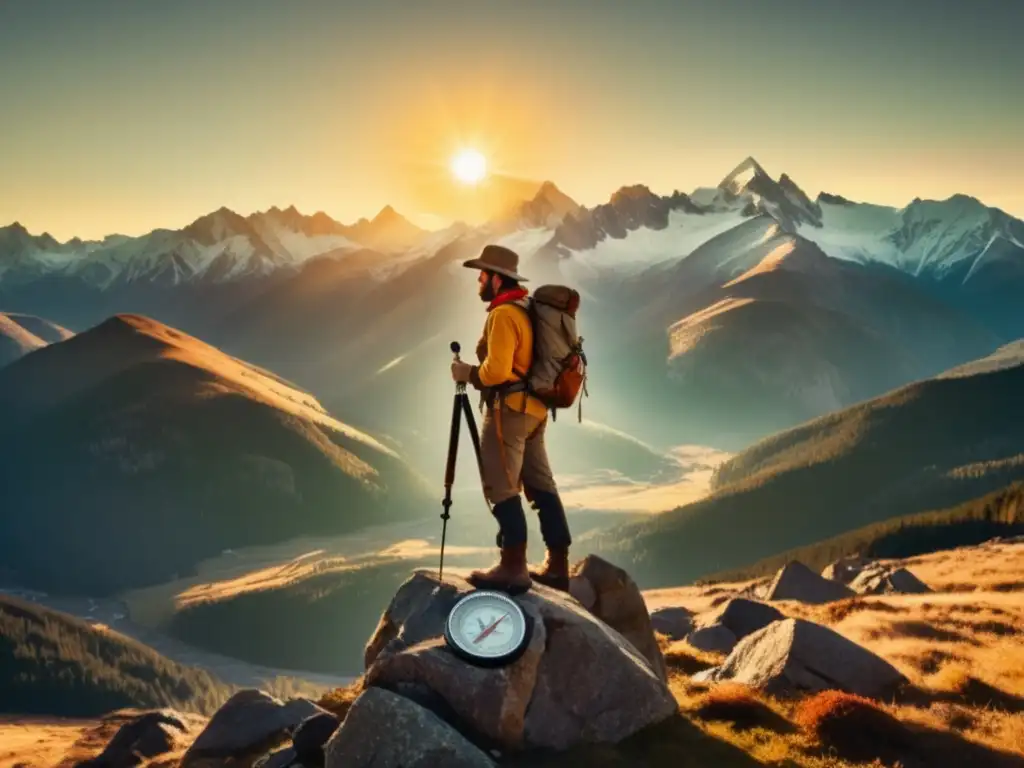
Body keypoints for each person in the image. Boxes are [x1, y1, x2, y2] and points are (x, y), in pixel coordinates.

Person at [450, 244, 573, 593]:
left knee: (501, 484)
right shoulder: (525, 308)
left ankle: (512, 565)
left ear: (496, 279)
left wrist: (466, 373)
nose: (478, 279)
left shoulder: (503, 314)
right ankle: (557, 563)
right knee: (540, 484)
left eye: (482, 274)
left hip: (509, 412)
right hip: (534, 411)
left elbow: (497, 371)